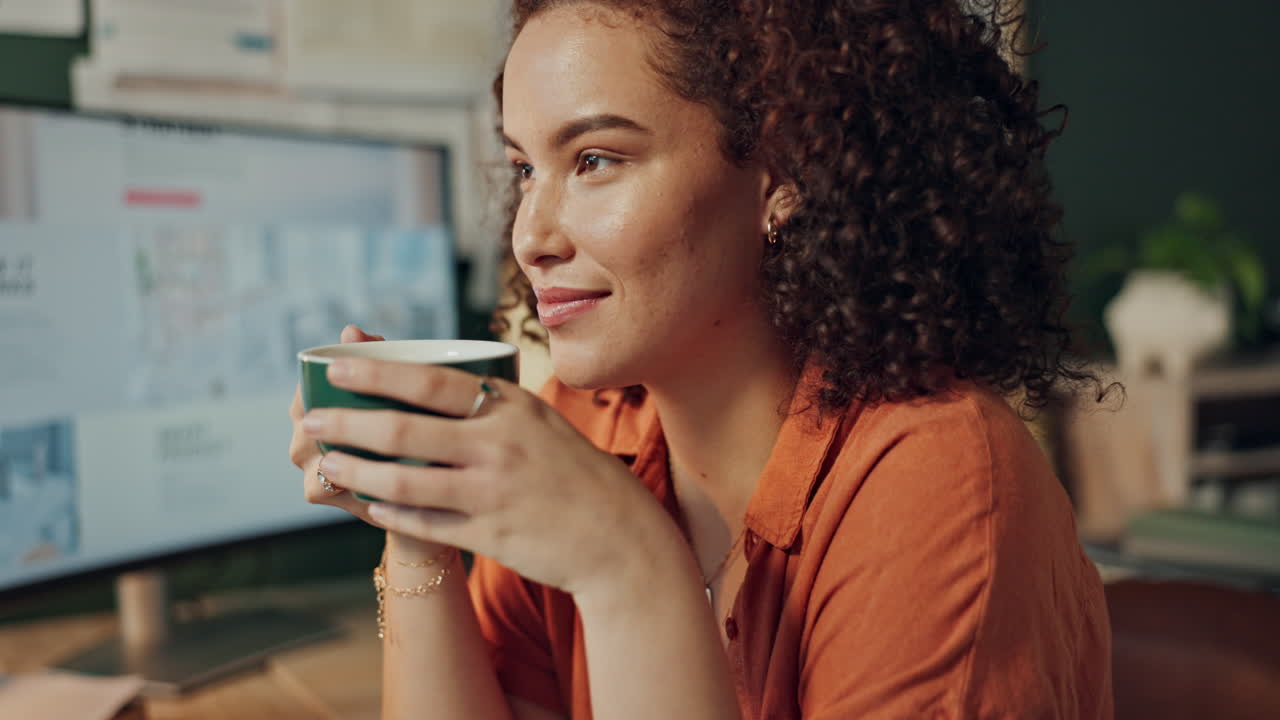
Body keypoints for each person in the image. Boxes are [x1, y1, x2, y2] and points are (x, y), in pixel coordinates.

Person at [289, 0, 1114, 717]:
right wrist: (418, 524)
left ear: (781, 175)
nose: (531, 236)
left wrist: (631, 571)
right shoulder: (586, 429)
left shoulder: (938, 478)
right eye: (523, 168)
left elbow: (624, 568)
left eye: (595, 160)